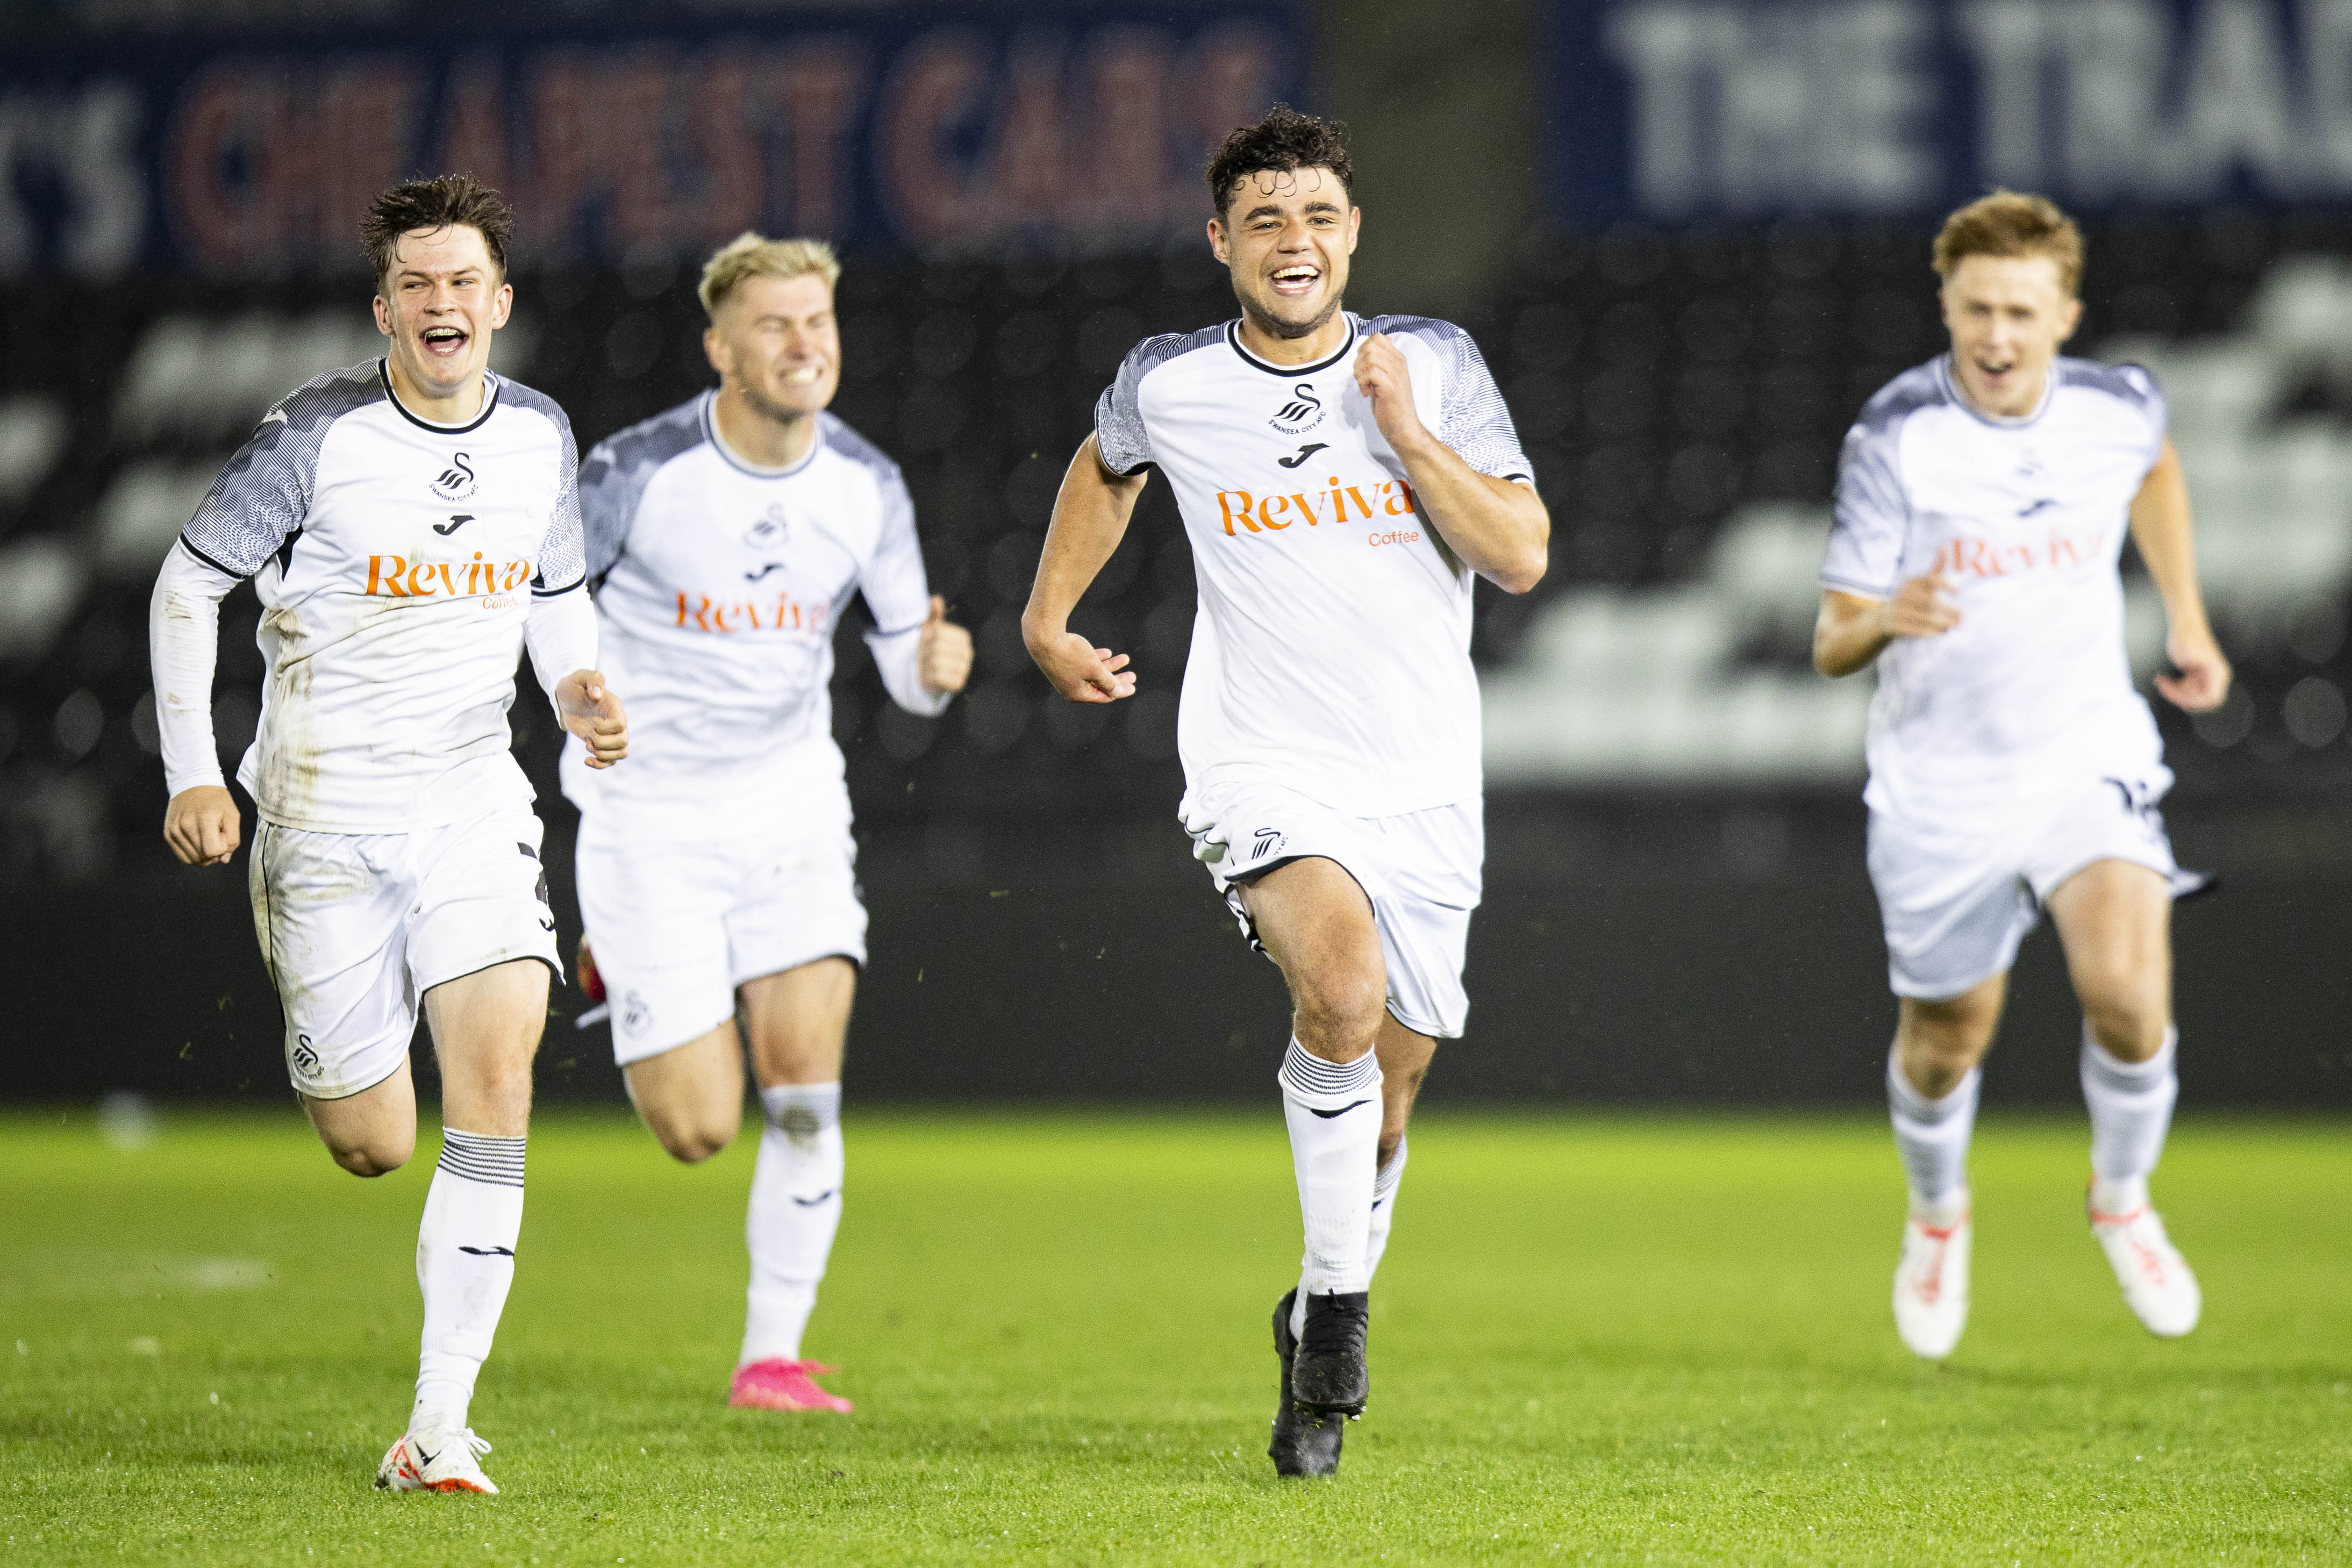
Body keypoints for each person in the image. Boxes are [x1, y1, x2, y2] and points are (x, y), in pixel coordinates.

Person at [1021, 106, 1547, 1477]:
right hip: (1263, 759)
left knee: (1395, 1082)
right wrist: (1046, 618)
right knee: (1342, 993)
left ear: (1352, 230)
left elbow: (1522, 553)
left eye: (1315, 215)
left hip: (1423, 776)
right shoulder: (1172, 380)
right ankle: (1338, 1327)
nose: (1292, 241)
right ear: (1221, 242)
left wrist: (1407, 439)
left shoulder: (1430, 364)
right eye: (1264, 220)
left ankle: (1313, 1293)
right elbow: (1106, 465)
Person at [147, 174, 628, 1493]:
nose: (441, 303)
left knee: (498, 1085)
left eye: (463, 282)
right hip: (321, 811)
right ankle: (354, 1081)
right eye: (417, 284)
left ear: (501, 304)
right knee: (373, 1139)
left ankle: (436, 1427)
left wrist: (577, 684)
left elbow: (556, 595)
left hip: (472, 793)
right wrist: (197, 770)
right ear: (385, 309)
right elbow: (188, 584)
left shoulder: (538, 433)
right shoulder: (317, 435)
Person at [1812, 190, 2231, 1361]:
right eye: (1975, 310)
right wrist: (1888, 616)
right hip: (1940, 785)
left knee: (2130, 997)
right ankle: (1939, 1217)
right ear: (1946, 306)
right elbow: (1829, 640)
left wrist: (2185, 620)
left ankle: (2122, 1199)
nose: (1995, 336)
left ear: (2065, 316)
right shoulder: (1895, 435)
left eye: (2019, 312)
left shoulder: (2117, 405)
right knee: (1949, 1036)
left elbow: (2154, 471)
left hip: (2084, 754)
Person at [566, 233, 973, 1415]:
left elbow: (904, 666)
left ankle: (771, 1358)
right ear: (720, 347)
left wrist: (934, 668)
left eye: (818, 323)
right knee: (698, 1128)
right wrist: (571, 693)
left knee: (804, 1082)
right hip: (647, 814)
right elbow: (538, 617)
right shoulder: (633, 472)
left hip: (792, 802)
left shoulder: (866, 485)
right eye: (775, 325)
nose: (804, 345)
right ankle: (620, 956)